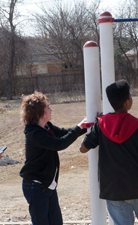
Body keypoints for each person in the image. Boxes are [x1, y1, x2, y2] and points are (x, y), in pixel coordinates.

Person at [80, 80, 138, 225]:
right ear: (128, 101)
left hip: (114, 190)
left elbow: (83, 148)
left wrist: (97, 123)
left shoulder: (101, 125)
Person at [19, 91, 87, 225]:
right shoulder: (35, 134)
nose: (51, 110)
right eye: (48, 108)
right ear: (39, 113)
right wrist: (79, 128)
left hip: (47, 185)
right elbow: (59, 144)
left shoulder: (46, 127)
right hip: (35, 187)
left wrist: (85, 127)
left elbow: (64, 133)